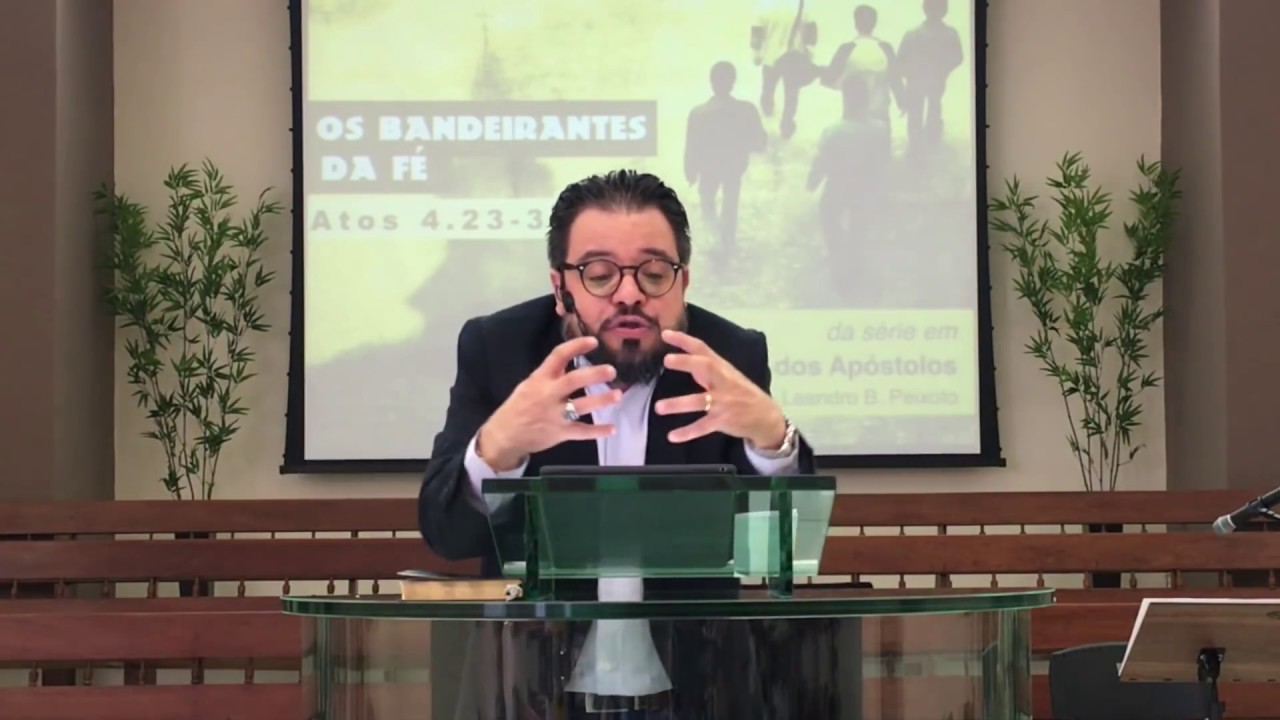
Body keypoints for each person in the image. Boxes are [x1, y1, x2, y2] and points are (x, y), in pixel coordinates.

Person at [417, 169, 818, 718]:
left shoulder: (728, 355)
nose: (630, 294)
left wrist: (773, 440)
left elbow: (782, 547)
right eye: (600, 275)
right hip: (532, 690)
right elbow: (446, 535)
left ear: (683, 281)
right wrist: (497, 449)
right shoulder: (499, 349)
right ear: (560, 287)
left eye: (654, 273)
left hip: (694, 690)